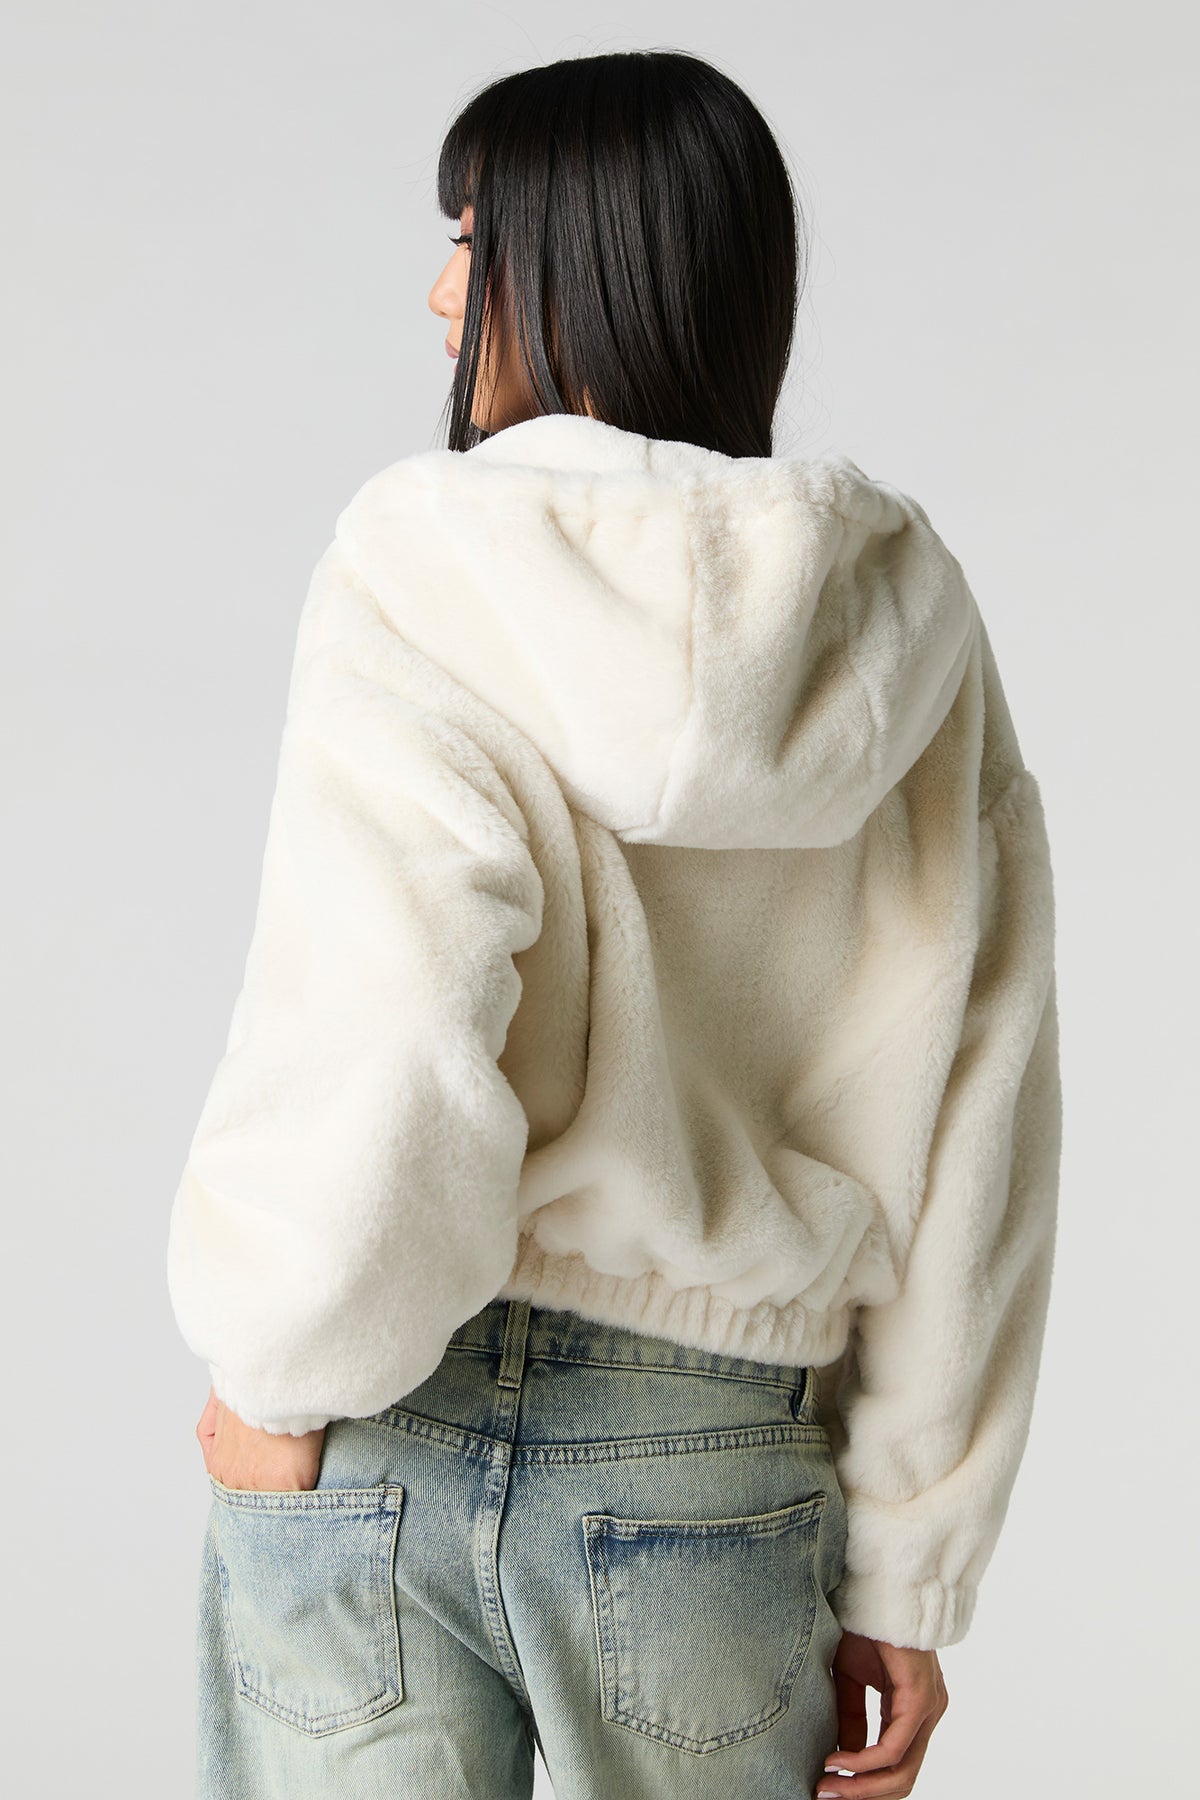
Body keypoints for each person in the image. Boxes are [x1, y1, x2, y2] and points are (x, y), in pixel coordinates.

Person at [168, 47, 1061, 1800]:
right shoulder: (909, 626)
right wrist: (910, 1559)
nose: (443, 296)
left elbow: (388, 1016)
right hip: (717, 1465)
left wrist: (279, 1374)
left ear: (577, 265)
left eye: (472, 242)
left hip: (385, 1429)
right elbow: (984, 1108)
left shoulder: (420, 564)